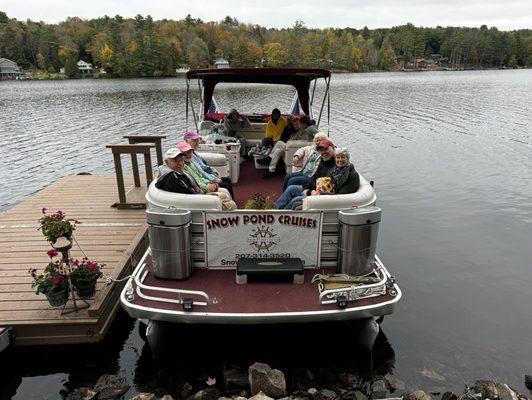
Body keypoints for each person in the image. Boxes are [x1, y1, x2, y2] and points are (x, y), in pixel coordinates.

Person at [275, 139, 337, 209]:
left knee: (296, 199)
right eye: (321, 150)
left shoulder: (337, 164)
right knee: (291, 189)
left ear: (333, 148)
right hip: (313, 190)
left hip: (320, 195)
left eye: (326, 149)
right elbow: (314, 177)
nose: (323, 152)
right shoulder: (323, 161)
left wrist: (310, 192)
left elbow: (328, 188)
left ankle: (282, 215)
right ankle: (275, 209)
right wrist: (306, 188)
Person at [178, 142, 237, 210]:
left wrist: (209, 182)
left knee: (226, 187)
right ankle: (232, 212)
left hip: (204, 186)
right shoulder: (184, 168)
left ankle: (233, 211)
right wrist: (208, 186)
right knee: (226, 190)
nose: (188, 154)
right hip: (202, 192)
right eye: (185, 153)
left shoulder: (190, 164)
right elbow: (196, 182)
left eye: (190, 152)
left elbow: (200, 176)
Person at [183, 130, 234, 198]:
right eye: (194, 141)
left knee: (227, 180)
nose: (197, 143)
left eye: (197, 140)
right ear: (186, 141)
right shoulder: (188, 156)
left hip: (207, 178)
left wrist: (214, 172)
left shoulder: (194, 154)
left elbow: (204, 167)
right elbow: (201, 171)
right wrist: (214, 179)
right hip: (206, 181)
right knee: (226, 184)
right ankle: (232, 206)